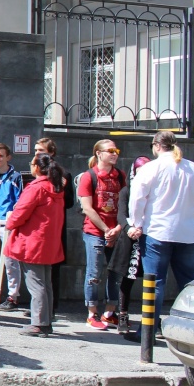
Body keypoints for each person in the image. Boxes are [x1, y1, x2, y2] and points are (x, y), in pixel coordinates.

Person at [127, 130, 194, 316]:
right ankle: (190, 324)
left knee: (154, 283)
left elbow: (137, 199)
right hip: (187, 234)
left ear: (157, 146)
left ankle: (148, 331)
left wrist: (136, 223)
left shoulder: (151, 168)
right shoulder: (193, 168)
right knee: (188, 283)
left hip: (157, 232)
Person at [5, 153, 67, 337]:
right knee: (45, 283)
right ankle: (45, 321)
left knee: (36, 284)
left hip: (32, 242)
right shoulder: (55, 188)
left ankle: (39, 323)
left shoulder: (36, 188)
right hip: (47, 242)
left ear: (37, 168)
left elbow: (20, 212)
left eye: (32, 163)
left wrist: (9, 223)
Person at [77, 139, 125, 329]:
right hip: (95, 232)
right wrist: (106, 230)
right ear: (98, 153)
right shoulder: (89, 177)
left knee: (116, 273)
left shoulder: (120, 176)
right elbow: (87, 208)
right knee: (94, 273)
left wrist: (117, 229)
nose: (115, 154)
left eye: (116, 150)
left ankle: (110, 313)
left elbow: (125, 206)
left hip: (115, 231)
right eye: (110, 150)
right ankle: (92, 314)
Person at [108, 157, 149, 341]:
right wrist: (130, 228)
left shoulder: (155, 190)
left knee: (152, 278)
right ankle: (123, 314)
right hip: (130, 237)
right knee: (128, 277)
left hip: (148, 236)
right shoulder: (127, 190)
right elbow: (121, 214)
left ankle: (151, 320)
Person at [35, 137, 75, 312]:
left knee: (53, 270)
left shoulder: (62, 173)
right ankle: (39, 306)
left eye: (41, 150)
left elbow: (70, 201)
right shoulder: (36, 172)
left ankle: (51, 308)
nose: (37, 153)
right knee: (37, 272)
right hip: (38, 227)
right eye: (35, 150)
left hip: (54, 226)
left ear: (51, 153)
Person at [0, 143, 25, 312]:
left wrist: (13, 220)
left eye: (1, 156)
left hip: (6, 224)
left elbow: (20, 201)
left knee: (10, 261)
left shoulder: (15, 177)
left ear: (8, 157)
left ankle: (13, 295)